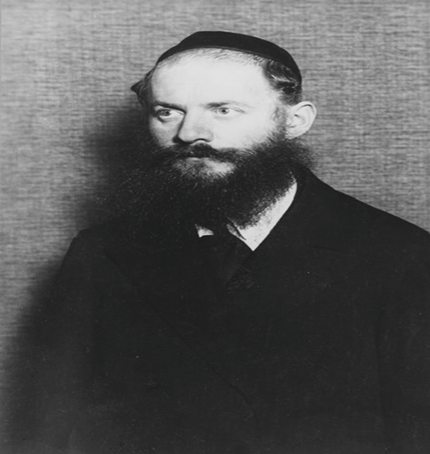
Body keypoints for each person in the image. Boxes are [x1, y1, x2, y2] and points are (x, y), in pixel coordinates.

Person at [8, 31, 430, 454]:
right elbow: (46, 429)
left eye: (223, 110)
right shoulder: (101, 253)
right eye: (167, 112)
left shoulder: (402, 257)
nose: (190, 133)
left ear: (294, 121)